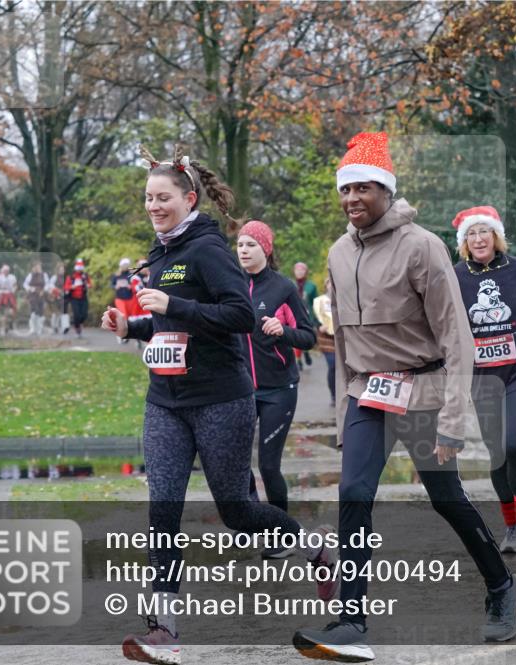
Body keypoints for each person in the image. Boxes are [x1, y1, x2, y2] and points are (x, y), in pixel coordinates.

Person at [103, 145, 336, 665]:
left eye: (163, 198)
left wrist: (174, 304)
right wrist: (131, 327)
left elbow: (239, 316)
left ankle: (315, 550)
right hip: (165, 399)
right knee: (162, 508)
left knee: (236, 510)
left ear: (189, 198)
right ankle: (164, 630)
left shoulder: (208, 250)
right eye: (148, 198)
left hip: (220, 400)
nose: (154, 206)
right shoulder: (159, 253)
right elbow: (169, 324)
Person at [293, 132, 516, 663]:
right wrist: (345, 410)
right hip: (368, 393)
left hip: (423, 391)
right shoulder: (336, 252)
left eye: (364, 188)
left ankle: (501, 584)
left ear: (387, 192)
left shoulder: (422, 246)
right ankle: (352, 622)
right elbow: (347, 344)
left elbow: (456, 336)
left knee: (446, 500)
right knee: (353, 493)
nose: (352, 199)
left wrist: (452, 419)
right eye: (345, 189)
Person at [451, 206, 516, 555]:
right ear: (465, 241)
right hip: (483, 379)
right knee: (497, 454)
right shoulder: (457, 276)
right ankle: (511, 527)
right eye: (472, 234)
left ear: (496, 236)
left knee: (514, 444)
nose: (479, 239)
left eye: (484, 232)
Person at [237, 219, 316, 547]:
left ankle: (280, 538)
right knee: (237, 465)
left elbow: (309, 336)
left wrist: (283, 331)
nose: (243, 250)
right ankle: (260, 522)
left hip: (279, 390)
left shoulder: (282, 288)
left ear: (265, 249)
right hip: (239, 390)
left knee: (269, 466)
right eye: (240, 245)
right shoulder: (231, 286)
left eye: (250, 245)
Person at [312, 276, 336, 407]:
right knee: (333, 365)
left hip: (342, 337)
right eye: (329, 283)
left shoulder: (343, 299)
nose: (331, 285)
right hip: (326, 338)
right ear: (326, 285)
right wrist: (317, 326)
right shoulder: (319, 301)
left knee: (344, 367)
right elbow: (312, 317)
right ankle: (333, 395)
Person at [293, 262, 318, 369]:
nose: (299, 272)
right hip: (294, 316)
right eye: (297, 270)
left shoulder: (311, 286)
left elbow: (316, 303)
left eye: (302, 270)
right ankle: (298, 361)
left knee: (306, 337)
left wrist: (317, 320)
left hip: (308, 317)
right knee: (296, 338)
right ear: (294, 272)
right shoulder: (290, 285)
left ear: (306, 272)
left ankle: (306, 352)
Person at [111, 258, 138, 344]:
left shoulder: (132, 275)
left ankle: (132, 335)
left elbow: (135, 284)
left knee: (131, 318)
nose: (125, 267)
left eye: (127, 265)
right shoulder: (116, 275)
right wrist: (116, 286)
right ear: (121, 266)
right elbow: (112, 285)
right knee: (123, 316)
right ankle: (121, 335)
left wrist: (130, 286)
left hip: (130, 298)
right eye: (124, 265)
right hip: (120, 299)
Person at [64, 258, 91, 338]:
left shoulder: (85, 276)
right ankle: (77, 328)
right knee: (77, 314)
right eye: (78, 268)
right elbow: (66, 287)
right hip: (74, 298)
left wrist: (88, 285)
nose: (79, 270)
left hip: (83, 297)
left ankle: (78, 323)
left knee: (84, 315)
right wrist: (72, 287)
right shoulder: (71, 277)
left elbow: (90, 284)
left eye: (81, 268)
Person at [22, 261, 49, 336]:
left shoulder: (44, 275)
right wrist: (30, 289)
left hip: (41, 294)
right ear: (34, 267)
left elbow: (47, 284)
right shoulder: (30, 275)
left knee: (41, 312)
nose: (38, 268)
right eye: (36, 266)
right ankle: (32, 329)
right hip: (33, 295)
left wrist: (43, 291)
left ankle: (39, 328)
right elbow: (25, 284)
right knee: (34, 310)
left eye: (39, 266)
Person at [0, 264, 18, 335]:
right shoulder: (0, 277)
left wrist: (14, 290)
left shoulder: (12, 277)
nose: (5, 272)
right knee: (4, 313)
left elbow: (15, 285)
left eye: (7, 271)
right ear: (3, 271)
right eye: (4, 271)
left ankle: (10, 323)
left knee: (12, 312)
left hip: (10, 295)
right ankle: (3, 328)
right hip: (2, 296)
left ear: (9, 271)